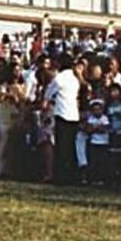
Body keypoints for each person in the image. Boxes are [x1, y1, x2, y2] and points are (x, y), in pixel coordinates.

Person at [44, 53, 81, 184]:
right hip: (74, 115)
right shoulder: (75, 79)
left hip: (62, 114)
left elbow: (48, 94)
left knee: (61, 147)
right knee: (71, 147)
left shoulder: (59, 78)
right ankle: (71, 175)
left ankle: (61, 176)